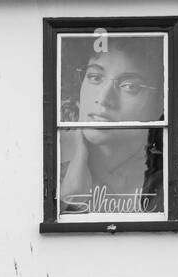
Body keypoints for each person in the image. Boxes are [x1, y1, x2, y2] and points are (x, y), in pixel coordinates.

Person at [58, 36, 164, 214]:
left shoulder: (170, 182)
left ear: (159, 103)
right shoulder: (48, 177)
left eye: (130, 86)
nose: (104, 99)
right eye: (95, 77)